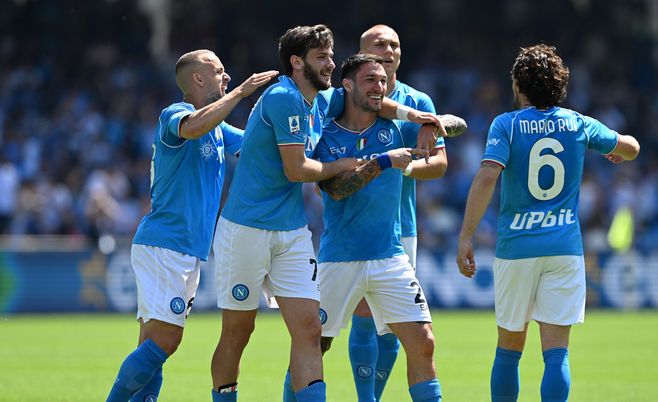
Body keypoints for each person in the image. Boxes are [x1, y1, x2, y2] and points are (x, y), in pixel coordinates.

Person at [210, 25, 445, 402]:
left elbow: (370, 98)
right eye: (322, 57)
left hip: (293, 230)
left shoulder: (322, 100)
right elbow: (297, 171)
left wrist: (418, 116)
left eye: (332, 57)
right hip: (246, 227)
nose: (331, 64)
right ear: (297, 62)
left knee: (307, 332)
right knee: (238, 332)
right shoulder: (284, 97)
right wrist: (363, 162)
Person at [456, 44, 640, 402]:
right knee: (557, 352)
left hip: (517, 249)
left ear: (519, 86)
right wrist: (617, 150)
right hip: (564, 249)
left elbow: (486, 178)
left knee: (509, 348)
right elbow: (631, 147)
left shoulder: (506, 124)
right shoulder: (577, 123)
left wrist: (466, 235)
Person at [106, 49, 277, 402]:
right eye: (220, 71)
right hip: (165, 244)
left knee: (154, 345)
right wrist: (242, 93)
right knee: (166, 341)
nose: (226, 78)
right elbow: (195, 126)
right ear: (198, 78)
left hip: (185, 249)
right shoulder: (176, 114)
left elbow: (258, 147)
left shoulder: (219, 130)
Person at [315, 53, 448, 402]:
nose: (380, 86)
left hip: (389, 256)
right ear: (347, 85)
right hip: (339, 259)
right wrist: (384, 162)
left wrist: (429, 125)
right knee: (313, 348)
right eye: (371, 80)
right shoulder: (327, 135)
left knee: (423, 341)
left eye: (383, 81)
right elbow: (335, 189)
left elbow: (452, 132)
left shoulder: (395, 127)